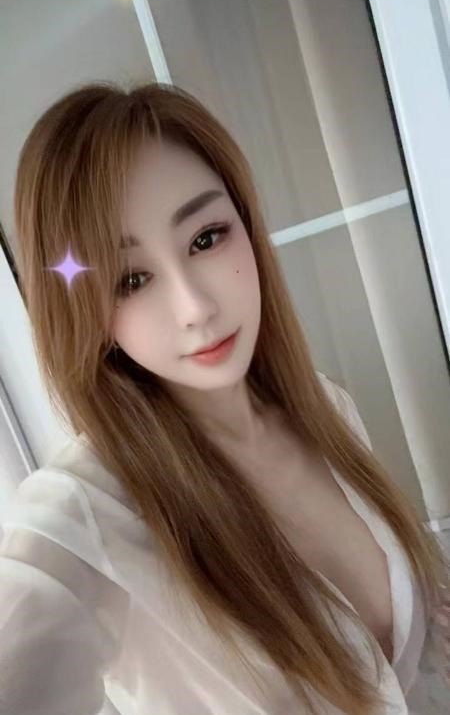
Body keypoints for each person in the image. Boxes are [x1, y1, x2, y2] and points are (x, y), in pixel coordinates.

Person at [1, 82, 449, 715]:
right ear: (83, 312)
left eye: (206, 238)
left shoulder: (326, 410)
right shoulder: (85, 518)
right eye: (132, 279)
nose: (195, 307)